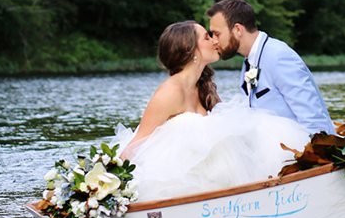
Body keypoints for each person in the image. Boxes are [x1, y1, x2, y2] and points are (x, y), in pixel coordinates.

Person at [116, 20, 310, 202]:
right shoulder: (169, 92)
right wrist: (112, 186)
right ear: (190, 49)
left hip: (212, 176)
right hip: (179, 181)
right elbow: (138, 144)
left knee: (266, 132)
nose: (214, 40)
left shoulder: (200, 87)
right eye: (206, 37)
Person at [207, 0, 335, 136]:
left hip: (297, 149)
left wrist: (313, 155)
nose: (213, 41)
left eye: (217, 34)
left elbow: (314, 120)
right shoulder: (248, 61)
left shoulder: (278, 56)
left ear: (238, 29)